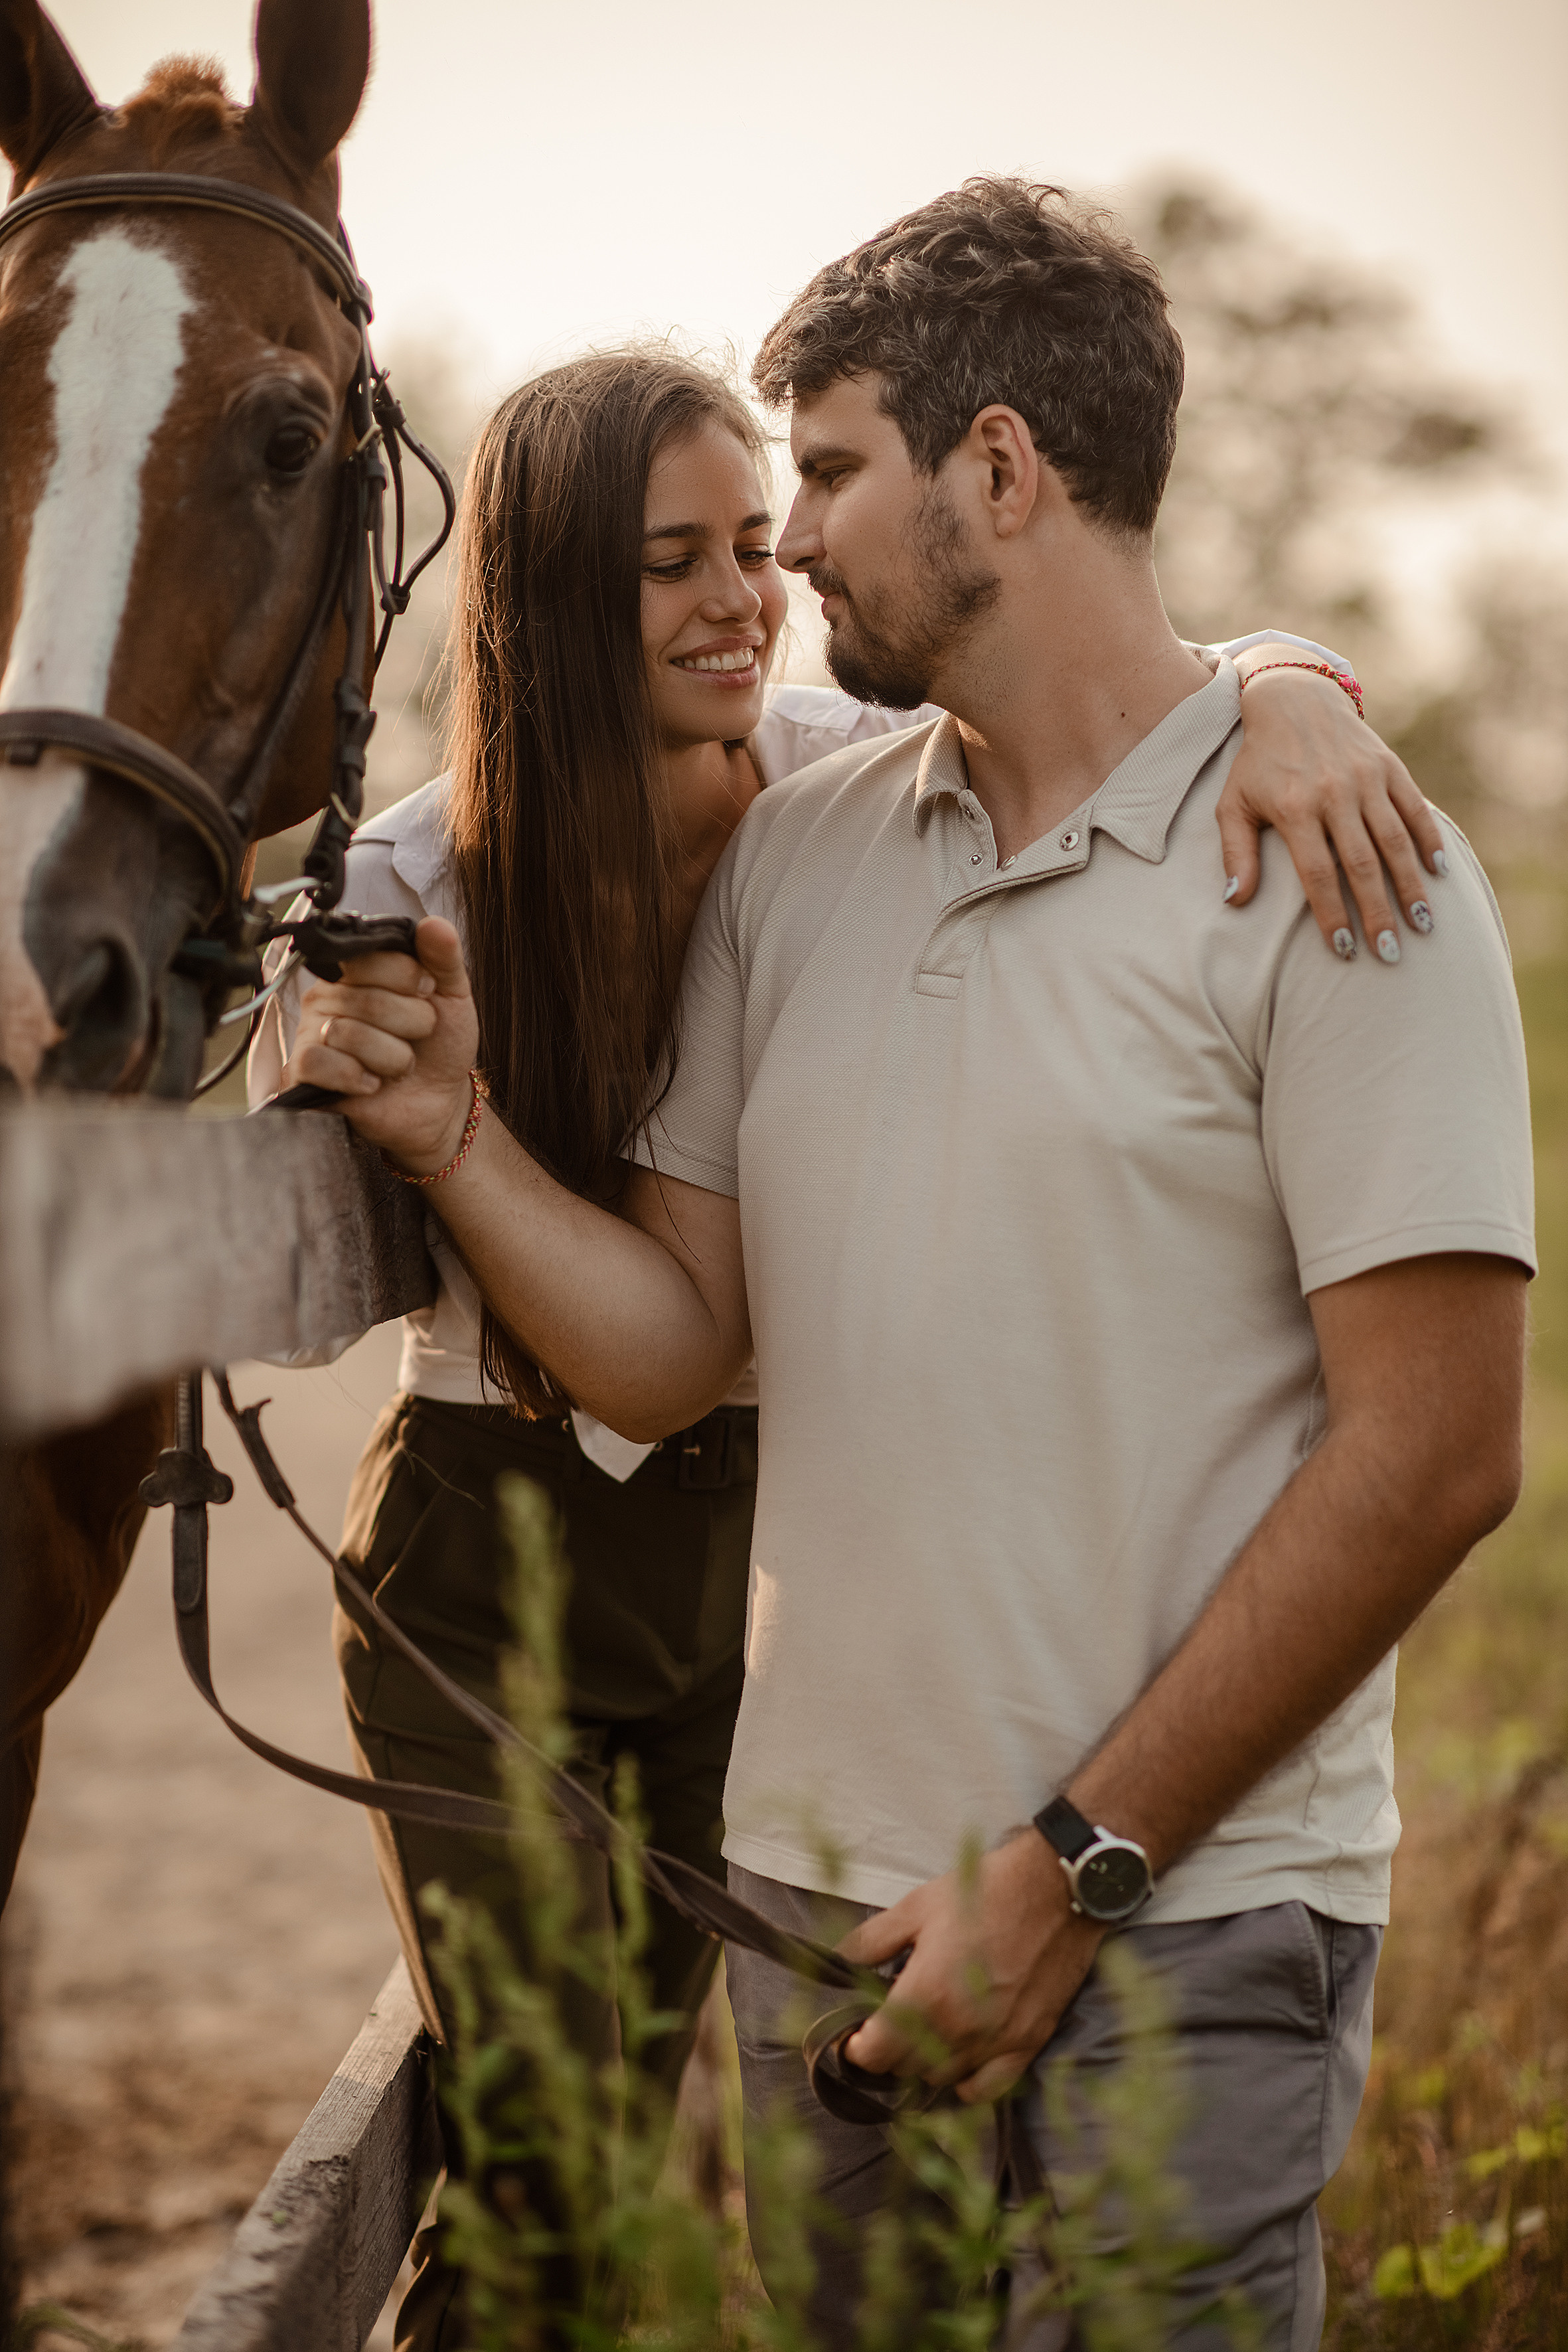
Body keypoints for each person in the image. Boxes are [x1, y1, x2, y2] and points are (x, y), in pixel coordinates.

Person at [268, 269, 1471, 2349]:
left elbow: (1437, 1449)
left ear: (993, 467)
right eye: (698, 553)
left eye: (797, 499)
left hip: (1117, 1855)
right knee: (551, 2183)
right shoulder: (629, 865)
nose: (774, 568)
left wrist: (1282, 677)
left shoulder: (997, 809)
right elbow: (643, 1343)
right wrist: (426, 1120)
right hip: (689, 1731)